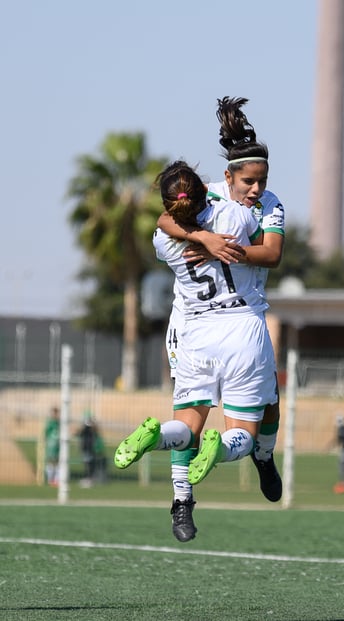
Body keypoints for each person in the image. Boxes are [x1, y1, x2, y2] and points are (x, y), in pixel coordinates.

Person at [114, 161, 278, 542]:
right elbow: (264, 246)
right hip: (241, 330)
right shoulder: (235, 216)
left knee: (187, 427)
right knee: (242, 435)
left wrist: (198, 235)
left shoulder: (164, 239)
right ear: (210, 191)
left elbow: (167, 221)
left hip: (196, 334)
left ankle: (155, 441)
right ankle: (219, 450)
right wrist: (215, 238)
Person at [158, 97, 285, 504]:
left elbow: (273, 254)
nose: (257, 189)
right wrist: (202, 237)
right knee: (194, 418)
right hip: (196, 320)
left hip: (235, 319)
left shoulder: (269, 204)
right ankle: (182, 499)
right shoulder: (205, 196)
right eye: (249, 181)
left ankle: (262, 457)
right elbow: (165, 218)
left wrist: (214, 247)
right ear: (228, 177)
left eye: (262, 180)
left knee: (269, 406)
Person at [44, 406, 60, 486]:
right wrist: (47, 442)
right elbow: (46, 434)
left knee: (58, 462)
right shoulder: (50, 423)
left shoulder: (59, 423)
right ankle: (50, 479)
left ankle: (56, 480)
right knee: (51, 461)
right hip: (51, 444)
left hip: (58, 445)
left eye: (56, 413)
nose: (55, 415)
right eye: (54, 413)